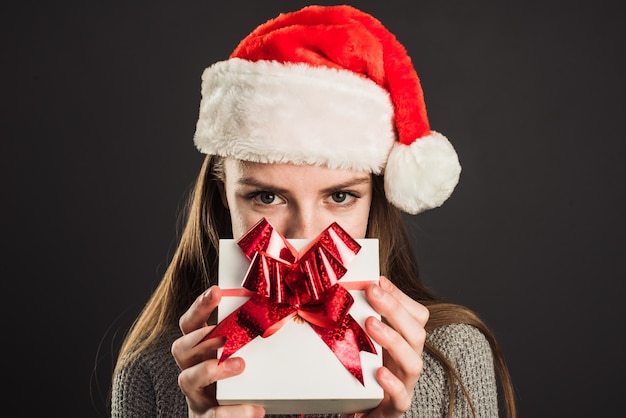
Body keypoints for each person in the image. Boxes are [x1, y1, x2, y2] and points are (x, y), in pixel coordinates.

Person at [111, 4, 516, 418]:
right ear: (222, 197)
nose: (305, 237)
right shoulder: (152, 371)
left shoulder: (453, 357)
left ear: (375, 198)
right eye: (267, 197)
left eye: (340, 197)